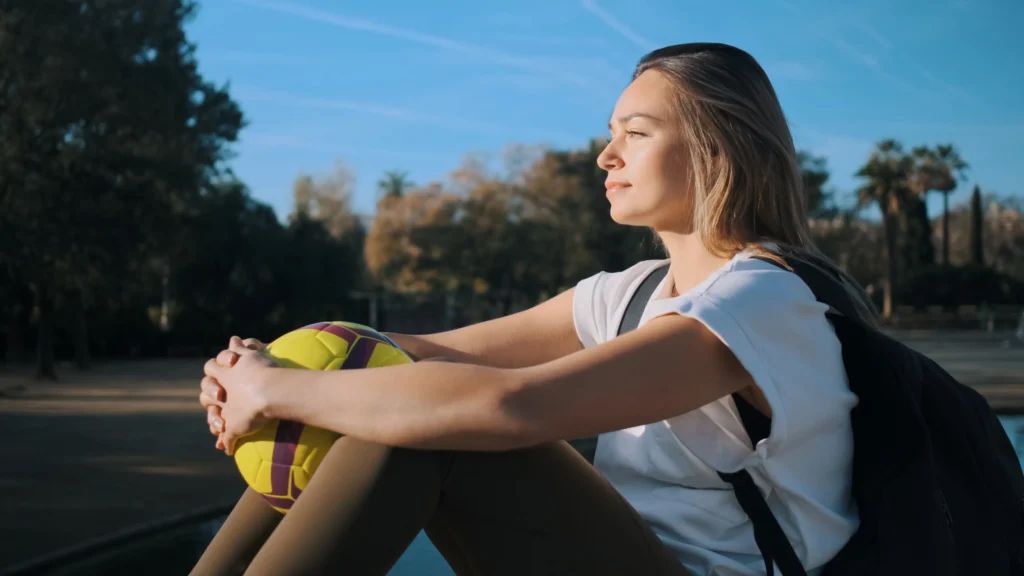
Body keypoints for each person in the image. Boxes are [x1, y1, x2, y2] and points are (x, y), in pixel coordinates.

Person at [193, 42, 877, 576]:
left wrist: (275, 391)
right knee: (380, 386)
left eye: (636, 133)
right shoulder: (631, 293)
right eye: (610, 133)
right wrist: (254, 369)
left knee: (430, 425)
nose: (605, 155)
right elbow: (418, 352)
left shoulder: (764, 300)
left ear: (716, 146)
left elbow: (514, 406)